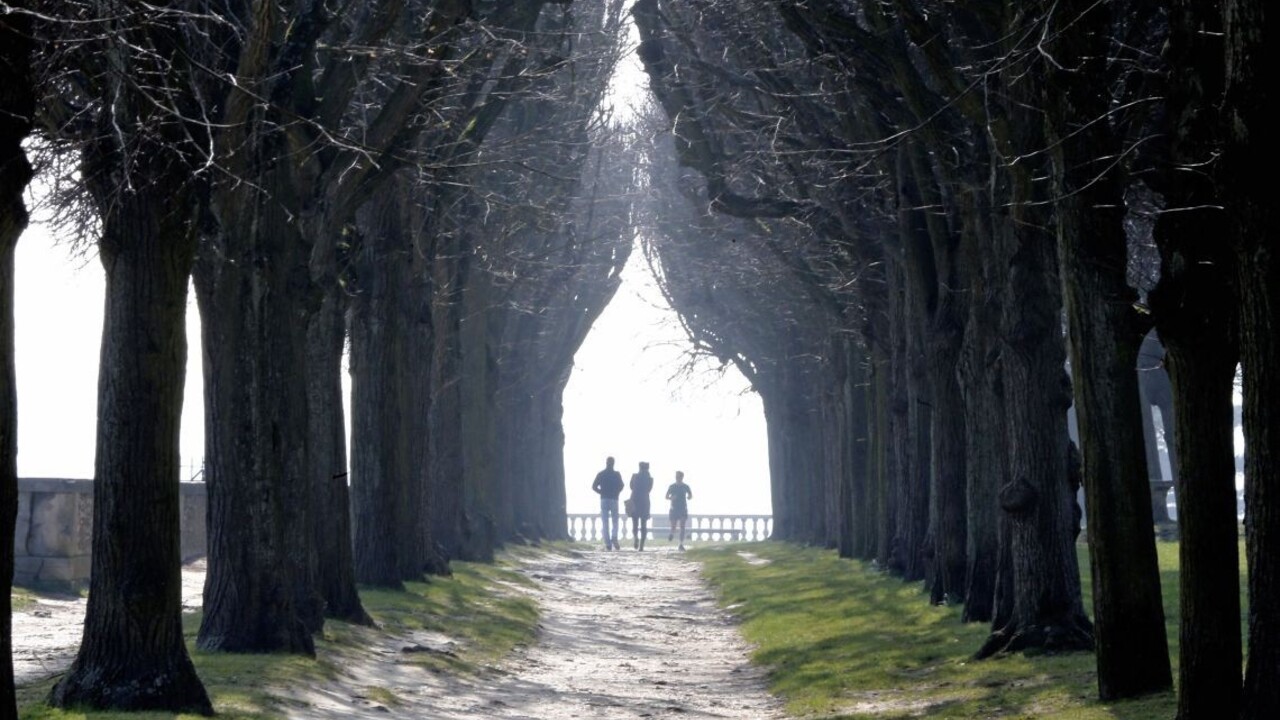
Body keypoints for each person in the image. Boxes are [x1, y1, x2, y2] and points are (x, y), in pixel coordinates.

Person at [591, 456, 624, 550]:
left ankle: (608, 543)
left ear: (606, 463)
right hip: (614, 499)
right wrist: (617, 492)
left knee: (605, 522)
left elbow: (594, 486)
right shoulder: (617, 474)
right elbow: (622, 485)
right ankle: (614, 536)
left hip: (604, 499)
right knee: (615, 520)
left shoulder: (601, 474)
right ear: (613, 463)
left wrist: (601, 492)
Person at [628, 461, 655, 551]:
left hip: (635, 499)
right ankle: (641, 546)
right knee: (644, 525)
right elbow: (649, 489)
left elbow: (631, 487)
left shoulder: (634, 476)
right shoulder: (650, 479)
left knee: (634, 523)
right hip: (645, 501)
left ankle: (636, 537)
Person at [665, 470, 693, 551]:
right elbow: (666, 496)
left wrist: (689, 497)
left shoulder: (686, 486)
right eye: (676, 476)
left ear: (682, 477)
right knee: (673, 526)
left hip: (683, 508)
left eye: (679, 476)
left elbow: (690, 495)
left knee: (682, 526)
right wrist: (671, 498)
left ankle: (681, 544)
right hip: (674, 508)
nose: (677, 478)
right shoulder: (672, 486)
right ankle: (671, 533)